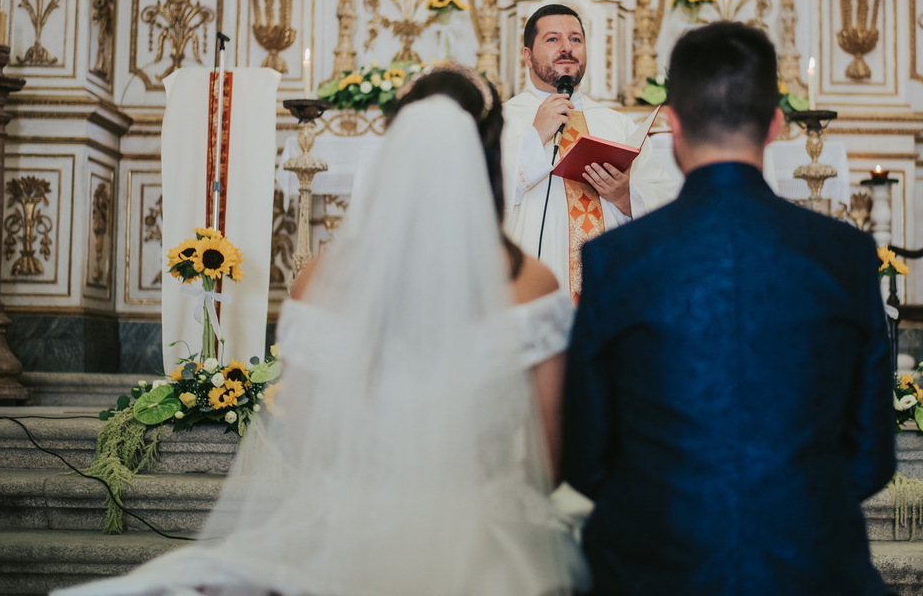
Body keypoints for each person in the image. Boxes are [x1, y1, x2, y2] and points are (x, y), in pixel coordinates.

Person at [54, 66, 588, 596]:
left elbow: (306, 445)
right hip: (482, 547)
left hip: (352, 538)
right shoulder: (533, 284)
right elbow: (549, 464)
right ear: (489, 157)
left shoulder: (320, 279)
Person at [561, 22, 896, 595]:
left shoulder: (615, 259)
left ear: (672, 124)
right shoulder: (845, 254)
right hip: (812, 567)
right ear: (775, 124)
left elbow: (587, 457)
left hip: (653, 570)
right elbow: (871, 458)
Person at [502, 4, 678, 300]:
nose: (567, 47)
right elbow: (477, 195)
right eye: (553, 39)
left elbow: (666, 202)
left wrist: (625, 197)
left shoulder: (618, 124)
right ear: (527, 56)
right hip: (530, 287)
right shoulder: (501, 119)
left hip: (610, 286)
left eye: (576, 39)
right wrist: (535, 137)